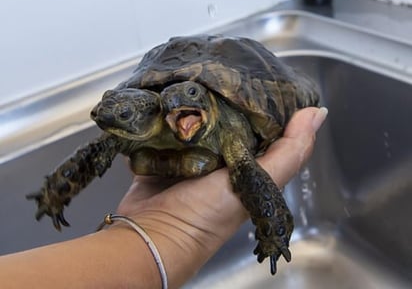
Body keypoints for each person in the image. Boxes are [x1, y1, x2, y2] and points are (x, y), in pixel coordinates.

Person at [0, 107, 327, 289]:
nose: (105, 116)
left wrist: (272, 229)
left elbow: (257, 183)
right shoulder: (127, 131)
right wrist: (56, 192)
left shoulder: (224, 128)